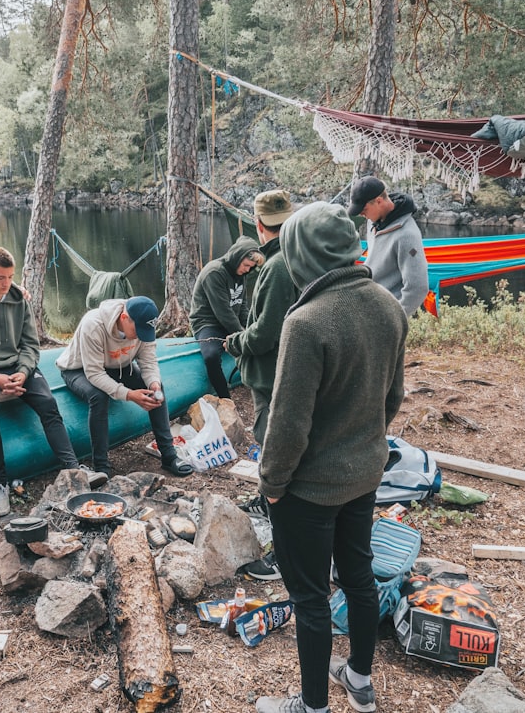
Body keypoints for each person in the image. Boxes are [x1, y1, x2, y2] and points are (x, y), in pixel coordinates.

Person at [253, 201, 408, 713]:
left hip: (310, 491)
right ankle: (359, 681)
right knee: (359, 578)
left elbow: (287, 422)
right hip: (364, 476)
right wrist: (364, 444)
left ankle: (313, 706)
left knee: (311, 597)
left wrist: (272, 482)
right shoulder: (386, 303)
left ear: (302, 254)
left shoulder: (307, 321)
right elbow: (392, 399)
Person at [0, 246, 101, 517]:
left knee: (48, 401)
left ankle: (72, 469)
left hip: (18, 367)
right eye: (0, 278)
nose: (7, 284)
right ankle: (0, 484)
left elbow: (30, 345)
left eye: (10, 277)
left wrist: (24, 372)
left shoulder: (19, 299)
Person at [56, 295, 193, 477]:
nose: (141, 335)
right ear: (124, 318)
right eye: (139, 330)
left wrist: (154, 384)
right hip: (79, 369)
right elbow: (94, 373)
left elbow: (149, 361)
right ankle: (101, 467)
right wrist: (129, 394)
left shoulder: (144, 325)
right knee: (99, 397)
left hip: (118, 366)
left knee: (157, 388)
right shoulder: (94, 324)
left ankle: (169, 456)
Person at [225, 190, 299, 448]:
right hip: (295, 363)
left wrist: (235, 342)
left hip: (273, 371)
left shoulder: (277, 265)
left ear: (258, 224)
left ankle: (272, 487)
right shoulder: (300, 254)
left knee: (269, 437)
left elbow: (265, 334)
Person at [189, 236, 264, 399]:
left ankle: (256, 383)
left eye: (251, 267)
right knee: (211, 356)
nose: (247, 270)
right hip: (207, 322)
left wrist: (251, 329)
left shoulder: (242, 274)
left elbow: (242, 307)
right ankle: (225, 397)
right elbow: (223, 312)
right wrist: (243, 337)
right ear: (238, 257)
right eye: (246, 265)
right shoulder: (214, 272)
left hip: (229, 321)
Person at [347, 176, 429, 317]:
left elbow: (418, 288)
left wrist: (395, 321)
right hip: (366, 307)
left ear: (379, 201)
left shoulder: (407, 236)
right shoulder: (373, 221)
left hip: (386, 317)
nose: (361, 214)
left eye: (364, 209)